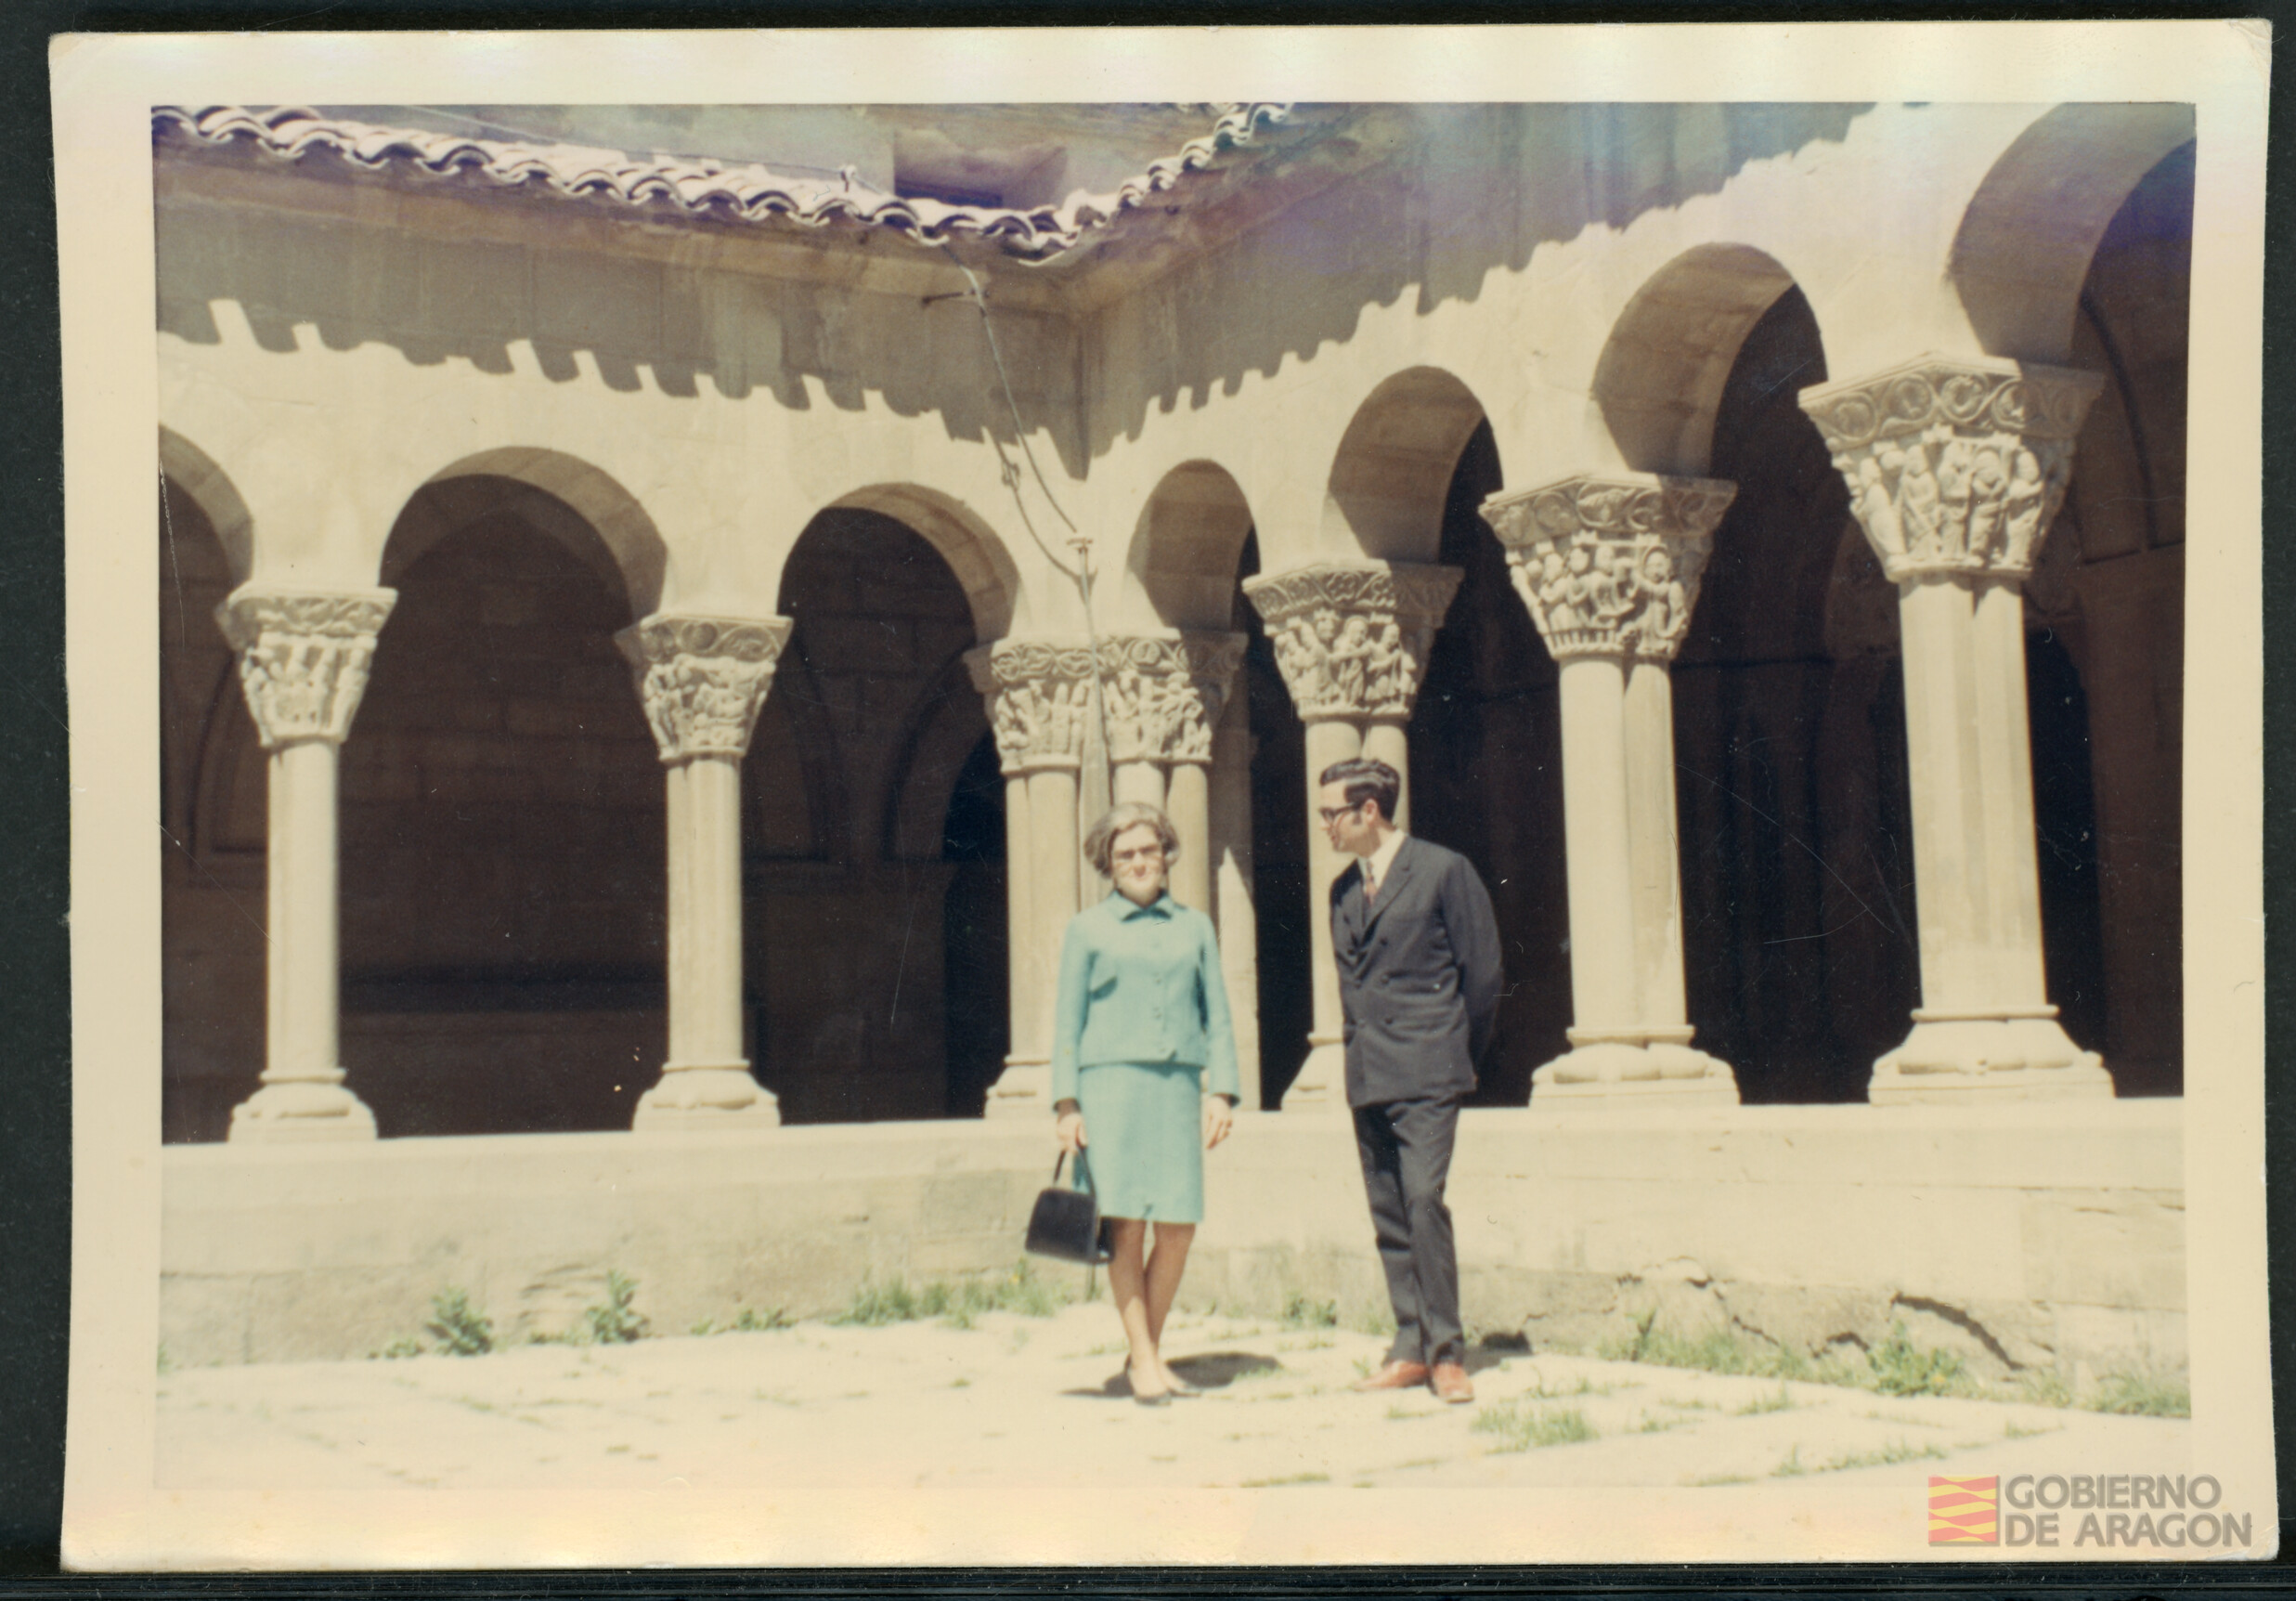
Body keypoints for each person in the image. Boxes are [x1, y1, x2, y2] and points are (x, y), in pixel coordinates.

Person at [1318, 756, 1501, 1405]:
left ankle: (1447, 1353)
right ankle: (1408, 1345)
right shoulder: (1341, 890)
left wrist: (1454, 1055)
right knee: (1389, 1210)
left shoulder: (1442, 870)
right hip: (1368, 1069)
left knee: (1424, 1201)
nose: (1325, 827)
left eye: (1331, 814)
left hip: (1428, 1067)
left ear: (1369, 811)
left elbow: (1480, 979)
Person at [1053, 801, 1239, 1406]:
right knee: (1127, 1227)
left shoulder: (1195, 928)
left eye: (1148, 850)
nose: (1138, 862)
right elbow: (1065, 1025)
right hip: (1110, 1091)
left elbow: (1218, 1016)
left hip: (1177, 1088)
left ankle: (1142, 1354)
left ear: (1167, 855)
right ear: (1108, 864)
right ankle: (1147, 1364)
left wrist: (1223, 1092)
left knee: (1179, 1227)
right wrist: (1066, 1105)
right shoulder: (1086, 929)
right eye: (1125, 854)